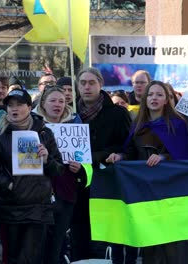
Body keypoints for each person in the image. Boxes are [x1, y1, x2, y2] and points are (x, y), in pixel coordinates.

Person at [106, 80, 188, 264]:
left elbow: (184, 156)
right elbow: (131, 152)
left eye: (159, 95)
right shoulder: (138, 124)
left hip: (171, 193)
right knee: (151, 242)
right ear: (145, 99)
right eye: (151, 94)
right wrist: (119, 156)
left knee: (174, 243)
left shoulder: (177, 124)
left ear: (166, 100)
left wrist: (163, 158)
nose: (154, 98)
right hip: (145, 192)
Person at [0, 88, 64, 264]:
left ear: (29, 107)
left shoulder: (44, 133)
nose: (14, 109)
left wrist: (46, 160)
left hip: (38, 208)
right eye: (10, 105)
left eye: (19, 104)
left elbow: (58, 170)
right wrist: (7, 185)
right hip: (9, 208)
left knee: (29, 259)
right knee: (12, 259)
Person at [71, 67, 131, 261]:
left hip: (106, 182)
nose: (87, 87)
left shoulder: (117, 114)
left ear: (100, 85)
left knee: (101, 238)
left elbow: (126, 147)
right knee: (79, 236)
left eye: (91, 83)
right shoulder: (70, 113)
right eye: (83, 83)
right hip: (76, 182)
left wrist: (95, 156)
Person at [33, 85, 86, 264]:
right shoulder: (32, 126)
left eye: (62, 101)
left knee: (57, 246)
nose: (58, 105)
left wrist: (80, 167)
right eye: (53, 100)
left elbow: (84, 160)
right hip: (38, 194)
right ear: (43, 103)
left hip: (66, 193)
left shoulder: (75, 126)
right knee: (38, 247)